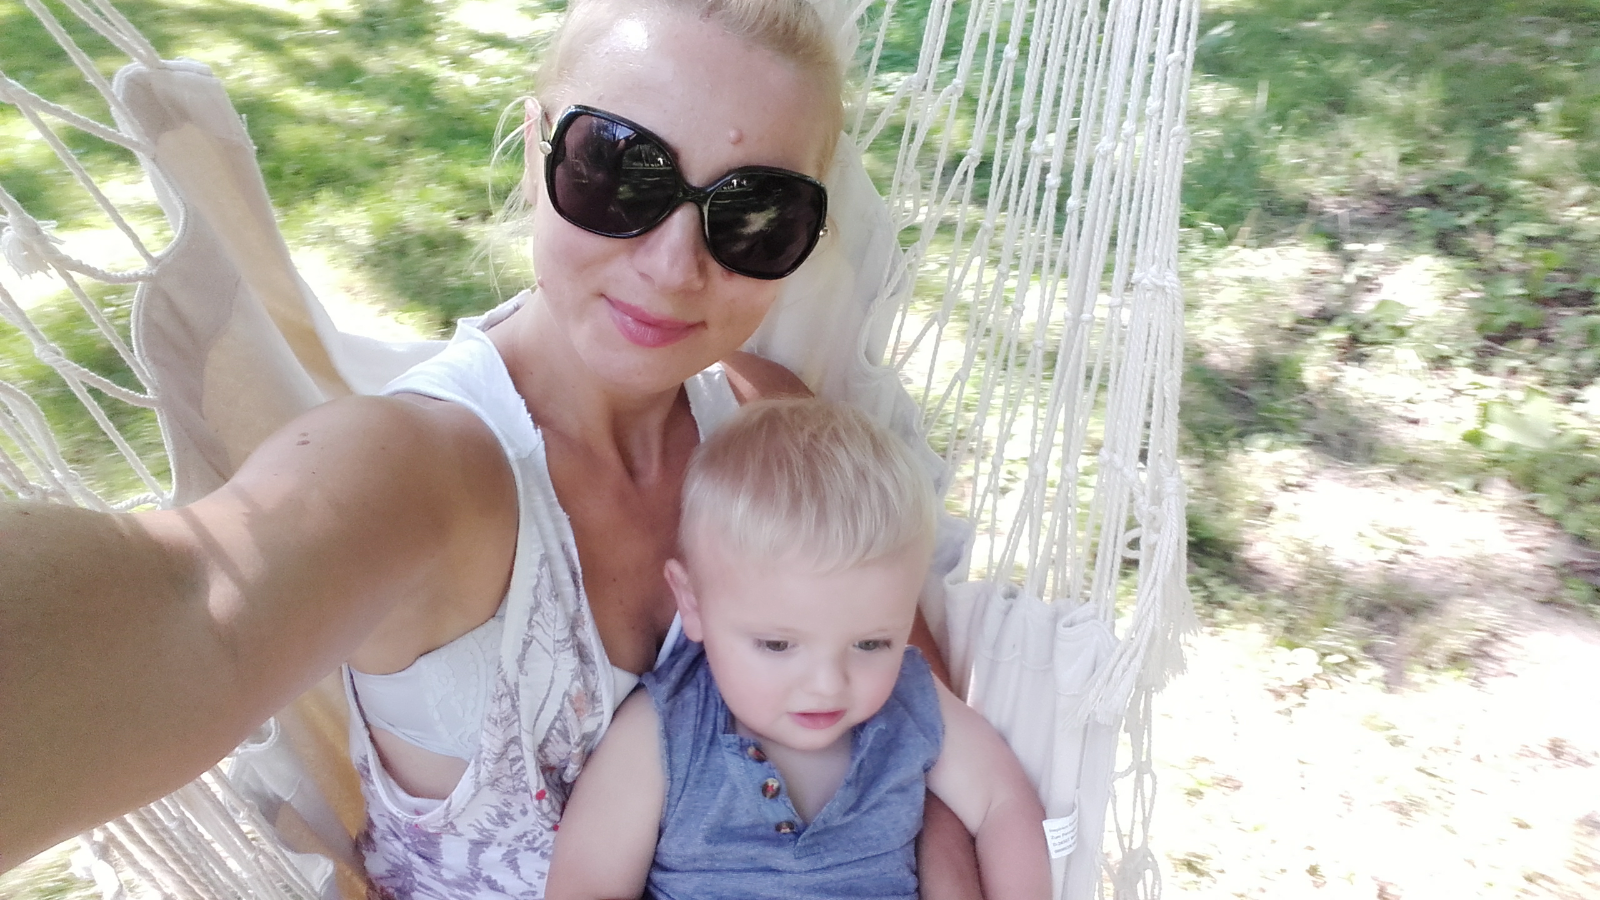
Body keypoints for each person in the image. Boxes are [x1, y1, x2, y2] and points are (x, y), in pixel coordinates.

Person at [0, 0, 984, 897]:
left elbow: (922, 725)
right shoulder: (421, 476)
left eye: (755, 215)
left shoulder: (770, 425)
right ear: (533, 149)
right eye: (619, 171)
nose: (673, 266)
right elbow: (193, 606)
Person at [545, 399, 1050, 900]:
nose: (827, 684)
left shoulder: (911, 702)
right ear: (692, 602)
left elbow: (1003, 804)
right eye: (778, 644)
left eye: (871, 643)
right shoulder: (663, 733)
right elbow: (585, 887)